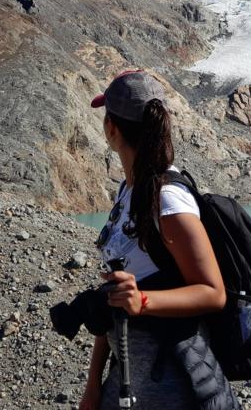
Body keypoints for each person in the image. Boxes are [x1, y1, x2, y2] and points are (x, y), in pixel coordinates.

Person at [81, 69, 241, 410]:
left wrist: (144, 301)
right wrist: (93, 384)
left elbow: (213, 293)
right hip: (123, 380)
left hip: (170, 385)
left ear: (111, 129)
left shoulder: (167, 200)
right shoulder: (129, 190)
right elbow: (118, 295)